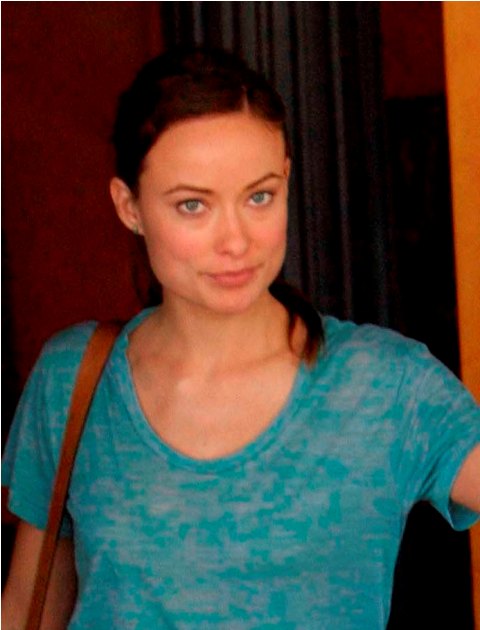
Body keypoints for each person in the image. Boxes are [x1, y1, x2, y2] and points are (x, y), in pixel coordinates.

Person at [2, 47, 480, 630]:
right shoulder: (74, 378)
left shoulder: (387, 384)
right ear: (129, 207)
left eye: (259, 197)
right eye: (193, 205)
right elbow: (26, 608)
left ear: (286, 180)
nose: (236, 241)